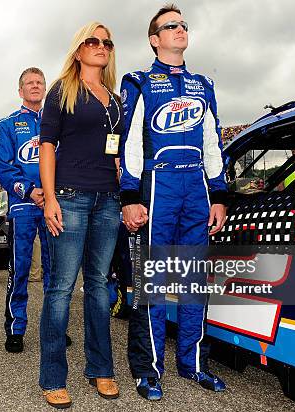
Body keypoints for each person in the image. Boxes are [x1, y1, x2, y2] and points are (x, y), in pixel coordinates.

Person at [119, 5, 228, 399]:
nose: (180, 29)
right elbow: (130, 142)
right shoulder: (139, 81)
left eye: (183, 25)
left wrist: (218, 193)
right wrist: (130, 195)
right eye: (171, 26)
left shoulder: (203, 84)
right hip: (157, 183)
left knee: (194, 280)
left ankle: (193, 363)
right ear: (155, 39)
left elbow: (213, 142)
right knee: (153, 281)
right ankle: (147, 369)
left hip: (196, 186)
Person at [39, 23, 123, 408]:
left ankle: (101, 369)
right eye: (93, 41)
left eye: (106, 42)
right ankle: (53, 376)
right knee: (60, 290)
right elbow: (47, 146)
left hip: (108, 199)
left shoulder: (116, 98)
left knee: (100, 289)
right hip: (69, 198)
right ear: (78, 50)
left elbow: (116, 152)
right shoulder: (62, 90)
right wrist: (51, 198)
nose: (101, 46)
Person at [0, 67, 54, 353]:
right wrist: (30, 190)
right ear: (20, 90)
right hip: (24, 206)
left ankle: (55, 327)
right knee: (20, 268)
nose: (35, 86)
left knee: (57, 271)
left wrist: (51, 194)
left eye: (39, 82)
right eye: (29, 83)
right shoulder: (6, 125)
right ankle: (16, 327)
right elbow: (3, 168)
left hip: (55, 206)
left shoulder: (57, 122)